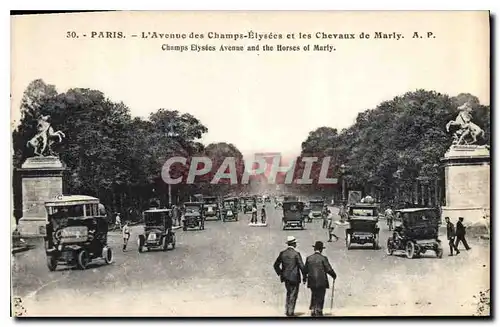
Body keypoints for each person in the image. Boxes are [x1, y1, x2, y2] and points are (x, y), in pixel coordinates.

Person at [273, 236, 305, 317]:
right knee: (293, 294)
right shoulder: (296, 254)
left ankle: (287, 310)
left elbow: (275, 265)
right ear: (293, 244)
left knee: (288, 293)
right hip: (295, 277)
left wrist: (281, 273)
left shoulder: (282, 253)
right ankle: (290, 312)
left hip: (286, 277)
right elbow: (302, 266)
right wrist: (305, 276)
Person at [303, 241, 337, 317]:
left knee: (314, 294)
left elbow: (305, 270)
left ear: (314, 248)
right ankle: (319, 310)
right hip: (321, 281)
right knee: (321, 295)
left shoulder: (309, 258)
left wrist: (304, 279)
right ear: (321, 249)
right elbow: (328, 269)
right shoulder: (323, 258)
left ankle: (313, 309)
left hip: (312, 281)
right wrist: (334, 275)